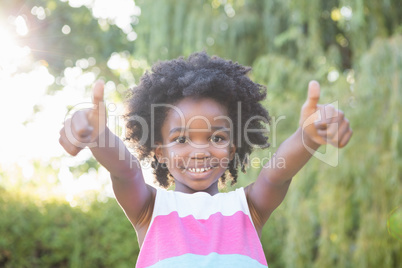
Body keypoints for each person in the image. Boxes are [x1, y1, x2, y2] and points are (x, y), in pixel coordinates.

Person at [59, 52, 352, 267]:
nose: (200, 151)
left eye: (217, 138)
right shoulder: (149, 209)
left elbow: (277, 174)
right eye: (181, 139)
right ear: (159, 151)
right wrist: (98, 136)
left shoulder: (248, 208)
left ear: (232, 148)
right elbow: (126, 170)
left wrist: (308, 137)